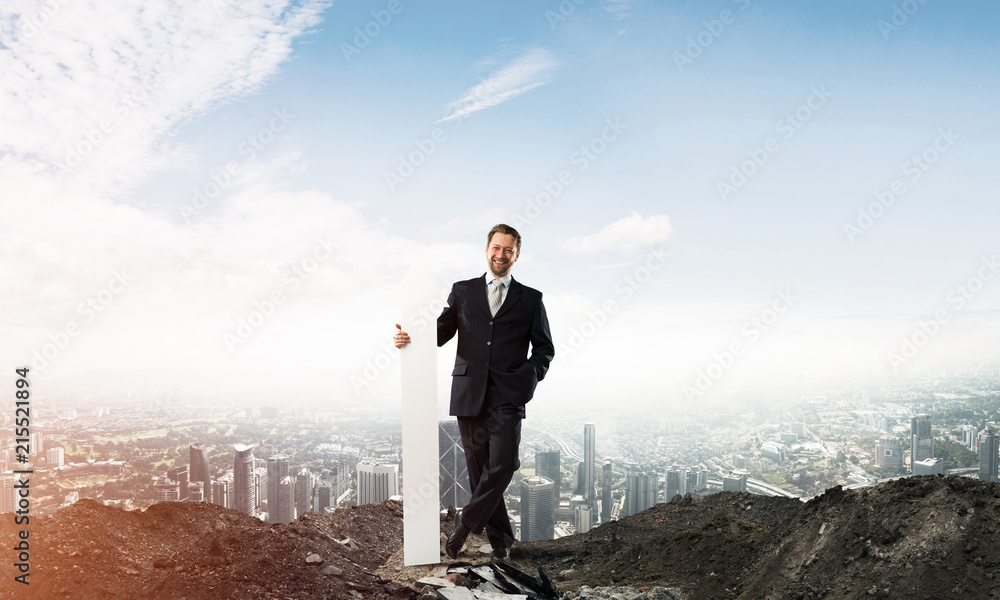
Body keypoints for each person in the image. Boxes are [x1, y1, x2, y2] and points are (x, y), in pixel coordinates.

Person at [394, 223, 554, 562]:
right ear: (487, 249)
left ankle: (465, 523)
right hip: (469, 392)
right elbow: (439, 332)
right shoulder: (463, 291)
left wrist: (527, 378)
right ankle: (501, 540)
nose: (501, 255)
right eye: (496, 248)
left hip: (508, 395)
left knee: (506, 463)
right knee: (481, 471)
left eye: (508, 250)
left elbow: (544, 350)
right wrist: (410, 336)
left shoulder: (531, 299)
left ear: (517, 255)